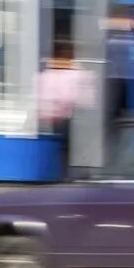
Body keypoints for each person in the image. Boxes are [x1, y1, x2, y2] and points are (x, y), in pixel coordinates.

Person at [38, 40, 94, 180]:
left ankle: (59, 173)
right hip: (70, 115)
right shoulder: (77, 72)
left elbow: (42, 95)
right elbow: (77, 97)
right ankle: (72, 175)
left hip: (52, 116)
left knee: (60, 147)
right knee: (74, 147)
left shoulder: (47, 72)